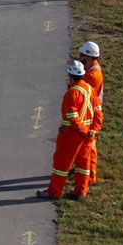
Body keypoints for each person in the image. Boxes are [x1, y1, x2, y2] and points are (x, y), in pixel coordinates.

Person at [40, 59, 96, 200]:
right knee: (83, 164)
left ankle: (54, 192)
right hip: (88, 135)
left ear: (70, 76)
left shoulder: (72, 94)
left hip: (72, 135)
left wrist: (84, 132)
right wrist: (93, 130)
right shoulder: (90, 90)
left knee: (61, 164)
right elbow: (99, 112)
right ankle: (81, 191)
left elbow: (73, 119)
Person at [75, 41, 105, 188]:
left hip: (91, 113)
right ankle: (85, 173)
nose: (81, 58)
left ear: (89, 56)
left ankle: (90, 176)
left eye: (83, 56)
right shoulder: (93, 69)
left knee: (90, 146)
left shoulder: (93, 75)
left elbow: (82, 90)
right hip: (90, 110)